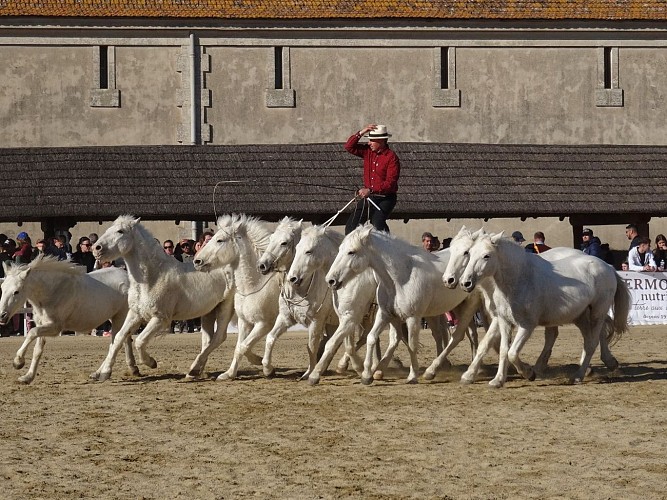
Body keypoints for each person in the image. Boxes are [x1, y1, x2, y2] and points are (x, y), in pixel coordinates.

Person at [344, 123, 400, 234]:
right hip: (370, 197)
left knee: (377, 223)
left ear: (381, 141)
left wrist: (370, 190)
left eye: (372, 140)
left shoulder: (391, 158)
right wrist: (361, 132)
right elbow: (349, 146)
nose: (369, 143)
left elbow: (390, 183)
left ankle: (388, 244)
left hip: (386, 198)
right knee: (351, 225)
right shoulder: (367, 152)